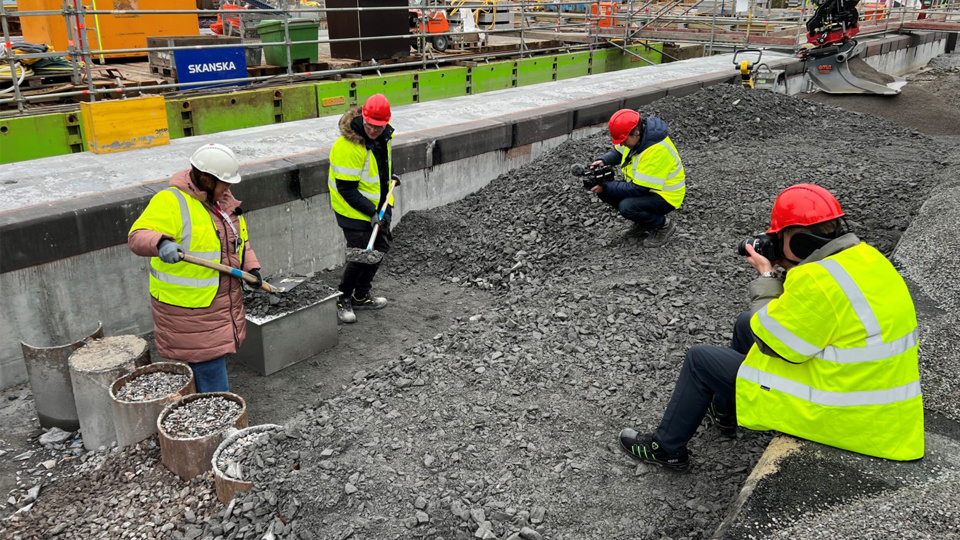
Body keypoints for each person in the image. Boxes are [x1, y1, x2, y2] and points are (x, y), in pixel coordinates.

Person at [618, 184, 923, 471]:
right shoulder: (865, 257)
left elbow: (780, 345)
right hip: (876, 404)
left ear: (798, 239)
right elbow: (807, 321)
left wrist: (767, 276)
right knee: (745, 322)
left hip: (845, 414)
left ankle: (667, 449)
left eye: (779, 236)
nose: (774, 242)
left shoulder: (817, 280)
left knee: (700, 359)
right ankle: (727, 413)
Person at [128, 143, 263, 393]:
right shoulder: (171, 201)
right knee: (208, 366)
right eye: (224, 183)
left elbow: (239, 242)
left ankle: (211, 410)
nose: (229, 188)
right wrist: (160, 242)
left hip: (218, 303)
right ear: (205, 180)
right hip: (189, 308)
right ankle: (220, 421)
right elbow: (137, 236)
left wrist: (251, 268)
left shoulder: (224, 204)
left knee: (209, 362)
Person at [329, 93, 396, 324]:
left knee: (379, 248)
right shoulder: (347, 145)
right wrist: (371, 212)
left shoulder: (384, 137)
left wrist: (386, 197)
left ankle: (360, 295)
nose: (373, 131)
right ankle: (343, 298)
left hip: (378, 207)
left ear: (386, 123)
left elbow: (382, 169)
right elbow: (347, 190)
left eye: (378, 127)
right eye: (369, 126)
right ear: (363, 118)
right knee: (360, 254)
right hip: (353, 210)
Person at [589, 109, 686, 247]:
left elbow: (640, 189)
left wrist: (606, 185)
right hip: (646, 188)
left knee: (627, 207)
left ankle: (663, 225)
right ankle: (644, 222)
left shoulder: (656, 150)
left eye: (623, 140)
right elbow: (618, 152)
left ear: (636, 133)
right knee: (606, 192)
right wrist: (603, 161)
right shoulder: (638, 138)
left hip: (666, 195)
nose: (621, 144)